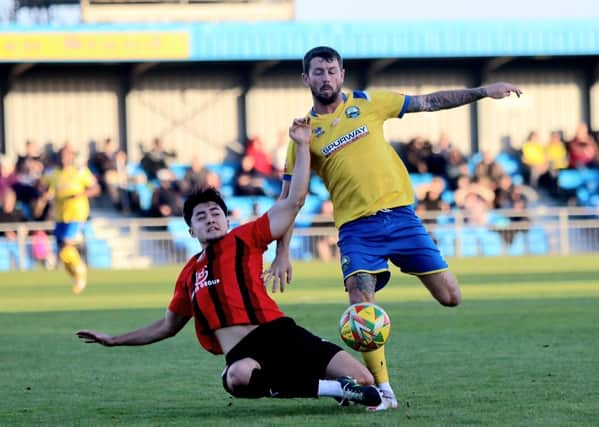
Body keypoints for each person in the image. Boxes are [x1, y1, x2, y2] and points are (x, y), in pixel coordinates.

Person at [265, 46, 523, 411]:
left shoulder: (370, 102)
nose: (326, 78)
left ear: (342, 74)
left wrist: (482, 91)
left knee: (451, 297)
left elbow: (428, 102)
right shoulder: (303, 134)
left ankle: (364, 362)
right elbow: (292, 197)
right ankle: (383, 391)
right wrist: (282, 252)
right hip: (357, 230)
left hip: (402, 219)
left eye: (332, 71)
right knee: (361, 306)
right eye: (318, 72)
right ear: (305, 79)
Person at [75, 117, 383, 410]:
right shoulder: (188, 275)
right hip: (244, 354)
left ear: (226, 219)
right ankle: (335, 389)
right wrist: (114, 340)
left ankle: (345, 387)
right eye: (201, 216)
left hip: (281, 333)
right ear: (191, 230)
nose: (210, 219)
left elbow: (294, 200)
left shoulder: (245, 238)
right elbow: (167, 327)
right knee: (237, 378)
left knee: (365, 379)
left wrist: (302, 146)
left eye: (215, 213)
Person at [42, 144, 101, 294]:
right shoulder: (53, 174)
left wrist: (81, 195)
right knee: (62, 252)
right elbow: (42, 187)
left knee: (67, 246)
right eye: (61, 155)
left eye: (67, 155)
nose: (64, 158)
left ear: (72, 156)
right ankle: (76, 277)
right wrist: (45, 194)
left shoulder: (80, 171)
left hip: (77, 214)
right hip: (60, 216)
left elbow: (96, 188)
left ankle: (81, 272)